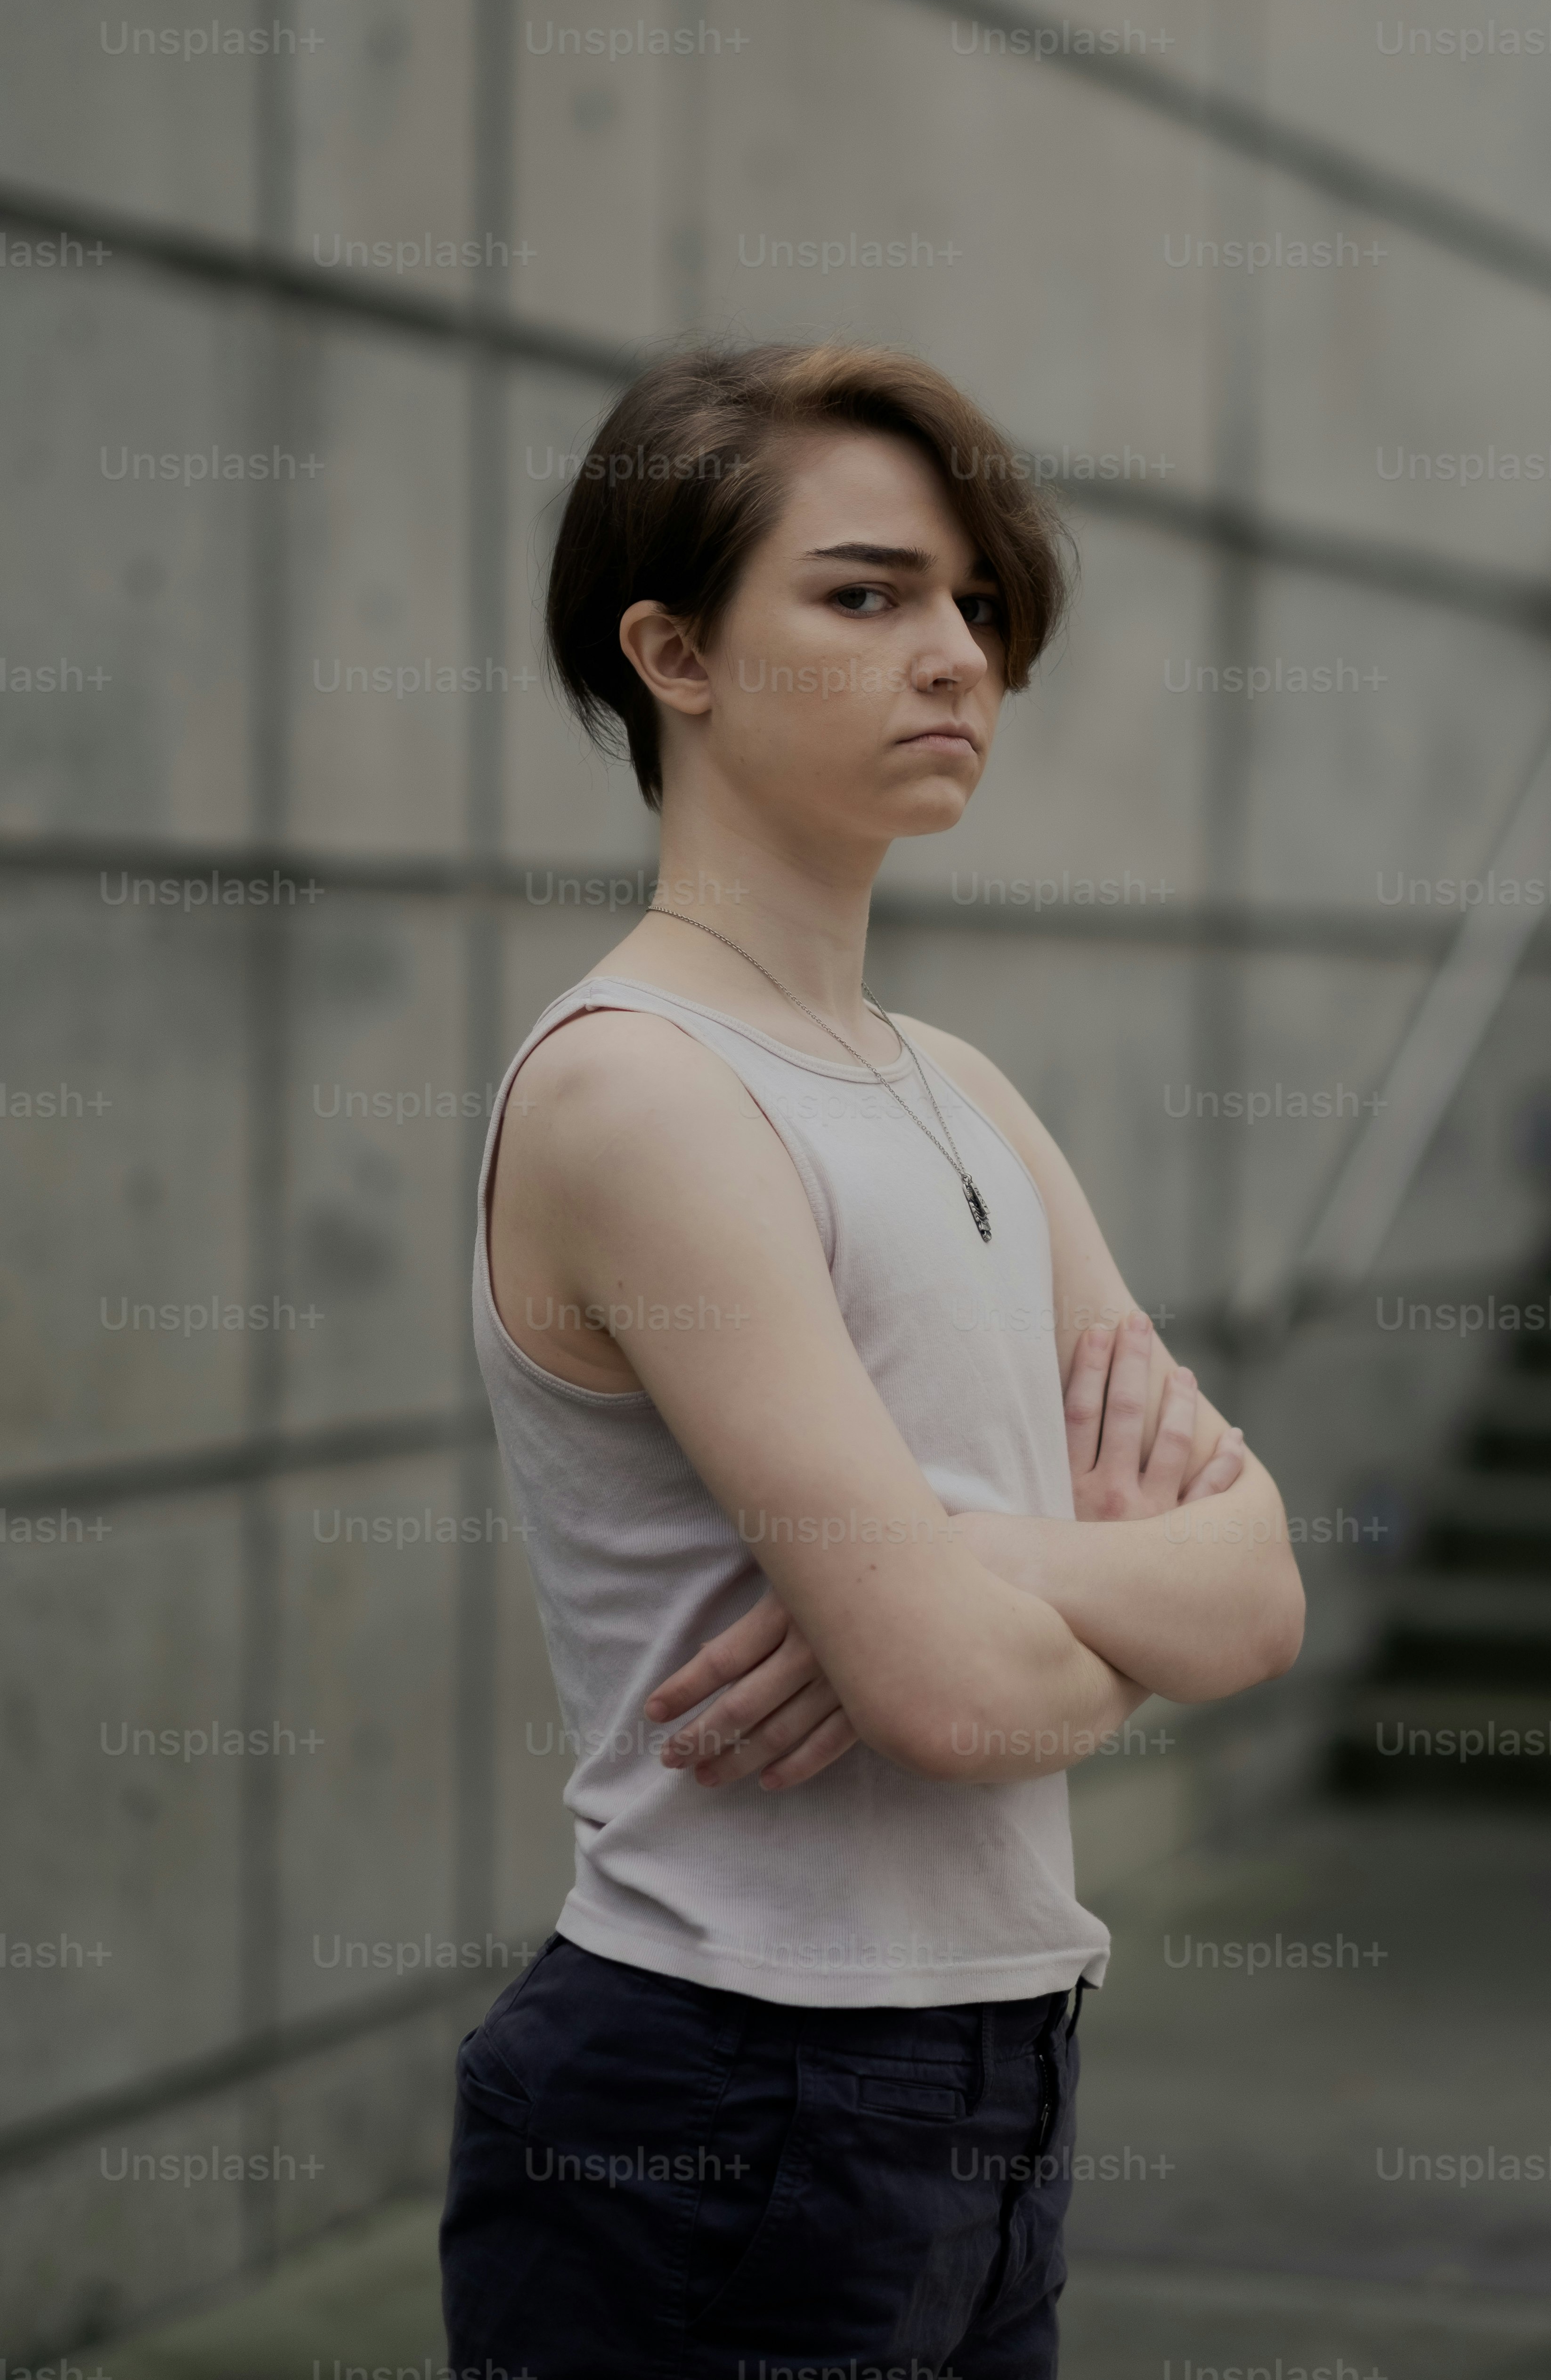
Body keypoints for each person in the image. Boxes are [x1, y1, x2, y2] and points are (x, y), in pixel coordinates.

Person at [439, 341, 1305, 2378]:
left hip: (989, 2080)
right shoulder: (641, 1090)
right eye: (864, 594)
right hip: (723, 2093)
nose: (954, 655)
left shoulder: (961, 1088)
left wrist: (947, 1549)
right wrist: (957, 1599)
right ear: (672, 652)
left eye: (973, 604)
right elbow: (949, 1692)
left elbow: (1256, 1592)